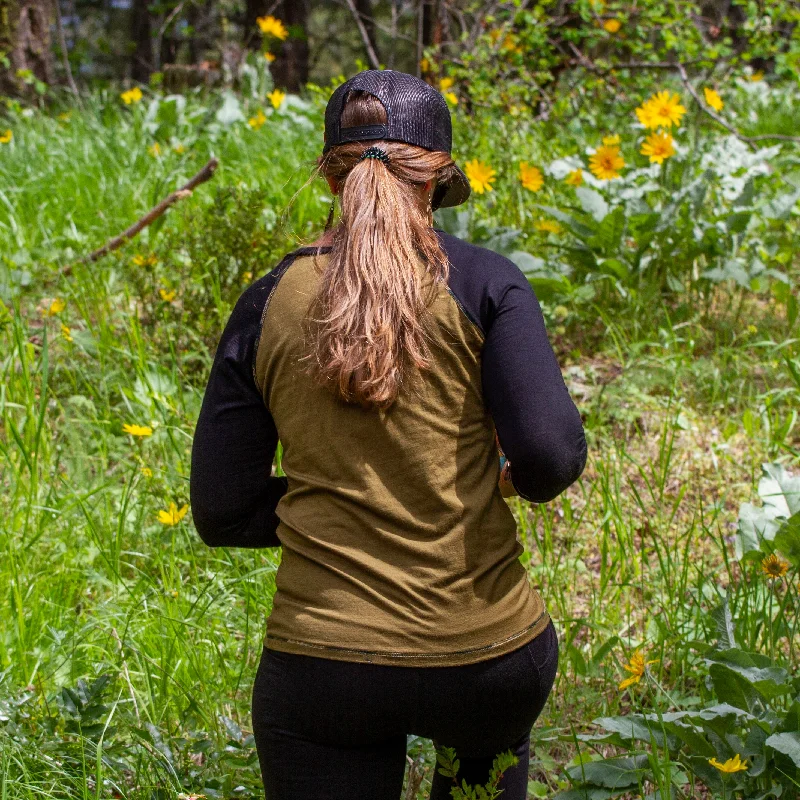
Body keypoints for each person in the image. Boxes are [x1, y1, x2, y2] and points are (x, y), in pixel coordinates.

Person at [190, 69, 587, 800]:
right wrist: (500, 478)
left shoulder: (269, 299)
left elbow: (220, 508)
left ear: (333, 181)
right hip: (486, 660)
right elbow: (551, 454)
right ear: (437, 181)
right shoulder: (487, 283)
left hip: (322, 671)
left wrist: (333, 505)